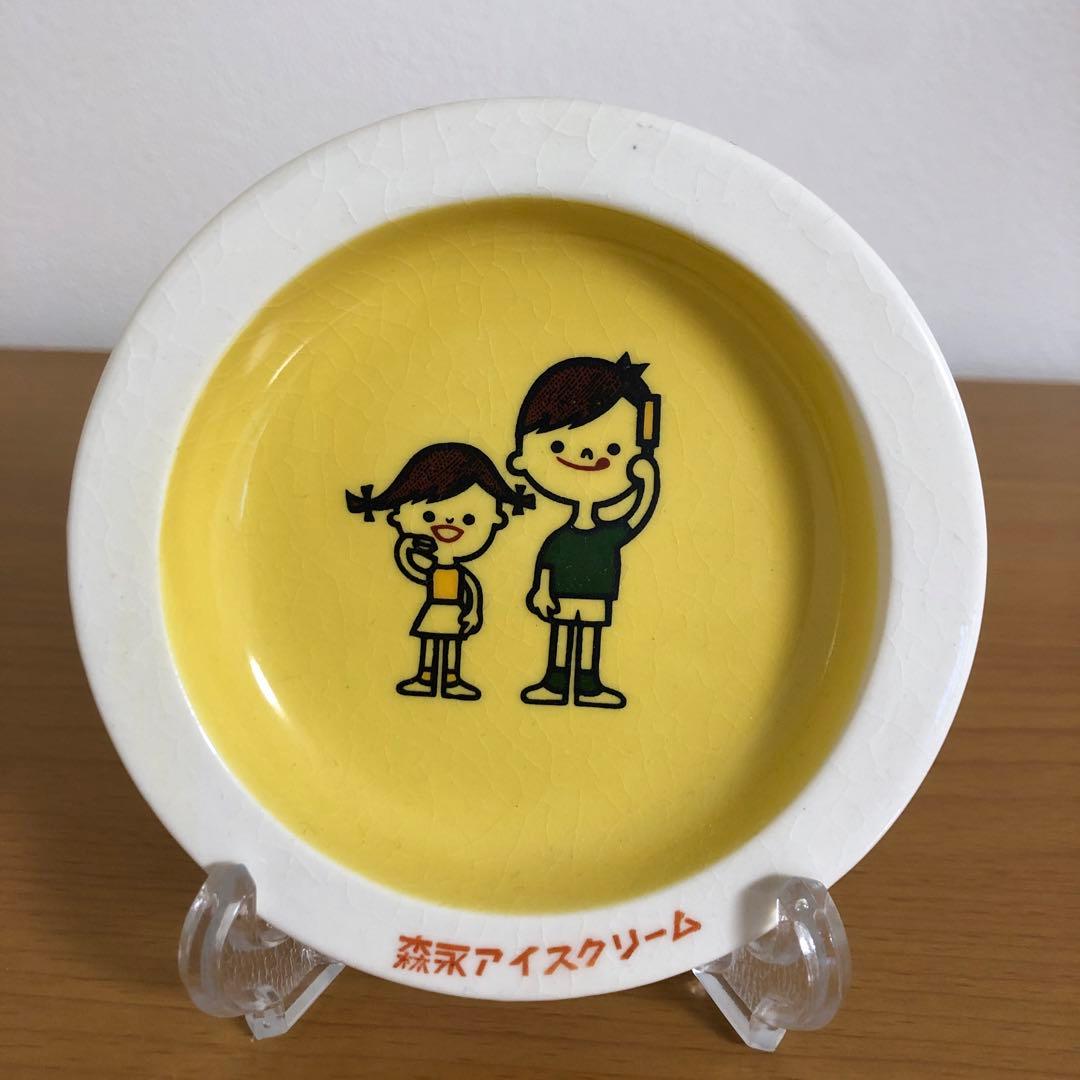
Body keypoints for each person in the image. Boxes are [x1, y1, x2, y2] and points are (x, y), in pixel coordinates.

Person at [508, 353, 661, 709]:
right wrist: (541, 591)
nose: (591, 457)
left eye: (614, 448)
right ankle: (555, 681)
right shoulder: (560, 539)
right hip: (563, 595)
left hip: (595, 595)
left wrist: (649, 480)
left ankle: (589, 685)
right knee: (562, 637)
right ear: (521, 460)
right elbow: (546, 565)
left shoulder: (608, 536)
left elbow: (637, 516)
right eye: (557, 446)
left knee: (589, 640)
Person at [346, 442, 533, 700]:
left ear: (496, 519)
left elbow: (471, 590)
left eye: (469, 519)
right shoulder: (430, 569)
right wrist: (407, 545)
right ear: (398, 516)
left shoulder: (458, 574)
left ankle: (451, 679)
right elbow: (412, 568)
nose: (449, 522)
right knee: (430, 645)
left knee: (452, 646)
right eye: (428, 517)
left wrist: (473, 612)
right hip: (435, 610)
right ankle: (425, 677)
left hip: (454, 613)